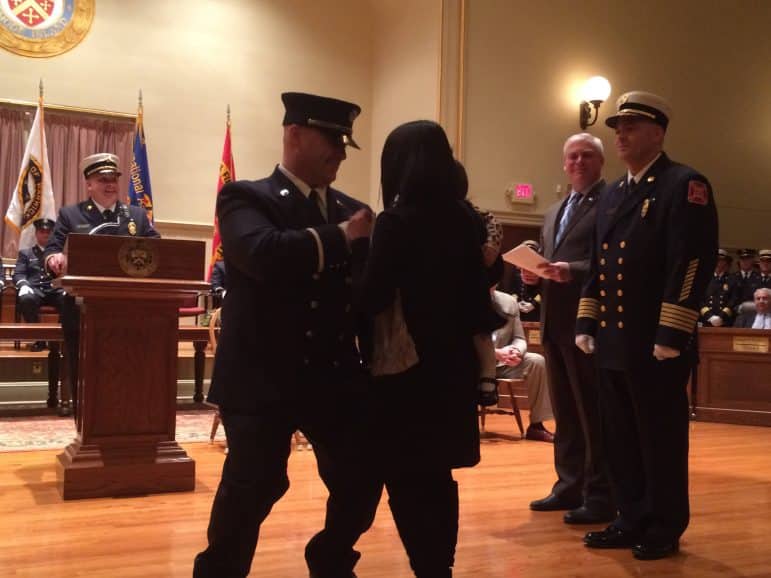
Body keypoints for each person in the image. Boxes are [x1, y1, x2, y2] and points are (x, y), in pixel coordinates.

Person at [193, 92, 381, 578]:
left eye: (345, 143)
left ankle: (331, 557)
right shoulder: (245, 198)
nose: (341, 152)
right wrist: (342, 237)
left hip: (333, 374)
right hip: (262, 376)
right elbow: (262, 253)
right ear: (294, 134)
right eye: (332, 140)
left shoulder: (350, 208)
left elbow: (364, 292)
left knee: (361, 478)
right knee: (253, 486)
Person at [575, 91, 718, 560]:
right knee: (620, 438)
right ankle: (630, 515)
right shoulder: (616, 192)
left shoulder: (683, 184)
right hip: (615, 341)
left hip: (656, 343)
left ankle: (664, 523)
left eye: (631, 127)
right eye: (617, 127)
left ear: (657, 133)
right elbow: (601, 263)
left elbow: (691, 263)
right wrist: (588, 318)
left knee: (659, 438)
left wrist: (673, 332)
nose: (620, 134)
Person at [354, 120, 497, 577]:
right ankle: (441, 568)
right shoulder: (465, 220)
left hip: (406, 372)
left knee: (405, 476)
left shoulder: (396, 222)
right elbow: (480, 299)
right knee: (438, 475)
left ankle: (428, 567)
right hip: (454, 369)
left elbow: (372, 298)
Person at [527, 133, 615, 523]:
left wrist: (571, 271)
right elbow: (551, 259)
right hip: (553, 323)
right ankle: (567, 486)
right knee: (565, 413)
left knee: (591, 414)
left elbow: (609, 263)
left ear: (600, 162)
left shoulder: (612, 202)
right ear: (564, 164)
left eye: (586, 155)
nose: (578, 161)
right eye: (572, 157)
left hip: (587, 324)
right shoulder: (553, 210)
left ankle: (599, 495)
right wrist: (536, 273)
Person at [44, 153, 159, 416]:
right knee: (85, 368)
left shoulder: (137, 216)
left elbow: (158, 249)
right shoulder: (70, 215)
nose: (110, 185)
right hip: (82, 308)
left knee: (127, 367)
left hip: (128, 310)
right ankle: (85, 420)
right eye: (102, 180)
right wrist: (55, 258)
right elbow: (50, 250)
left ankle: (125, 418)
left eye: (114, 180)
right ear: (89, 184)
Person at [490, 279, 554, 442]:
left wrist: (516, 351)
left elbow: (519, 338)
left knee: (537, 361)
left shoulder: (509, 302)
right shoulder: (463, 300)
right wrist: (496, 353)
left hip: (504, 362)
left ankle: (536, 426)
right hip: (476, 363)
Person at [13, 218, 65, 351]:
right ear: (36, 234)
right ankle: (39, 339)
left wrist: (67, 287)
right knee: (26, 299)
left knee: (70, 301)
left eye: (48, 232)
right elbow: (19, 273)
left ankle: (59, 339)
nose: (45, 234)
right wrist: (24, 285)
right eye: (42, 231)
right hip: (35, 290)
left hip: (55, 290)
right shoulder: (26, 253)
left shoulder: (60, 255)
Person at [699, 249, 736, 327]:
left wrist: (722, 316)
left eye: (721, 260)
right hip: (706, 320)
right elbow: (699, 299)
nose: (718, 263)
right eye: (716, 260)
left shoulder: (732, 279)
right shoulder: (704, 279)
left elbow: (733, 300)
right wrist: (709, 316)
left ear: (725, 262)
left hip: (725, 321)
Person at [730, 248, 761, 314]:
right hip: (734, 314)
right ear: (739, 261)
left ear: (752, 260)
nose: (745, 261)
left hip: (754, 313)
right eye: (742, 259)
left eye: (748, 259)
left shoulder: (759, 277)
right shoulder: (731, 277)